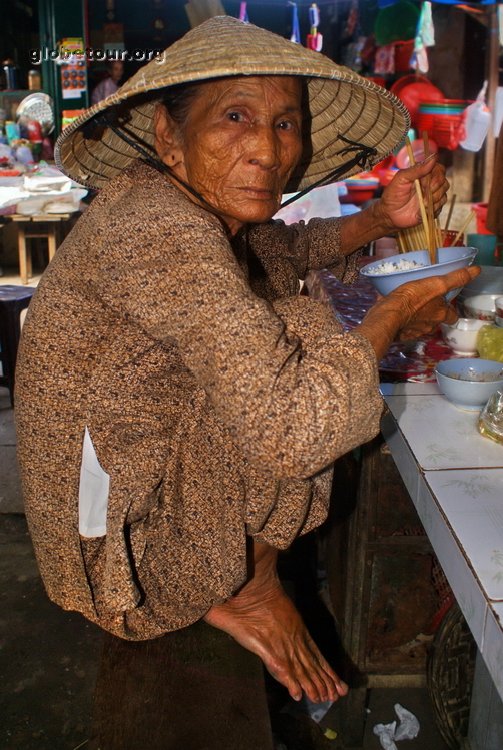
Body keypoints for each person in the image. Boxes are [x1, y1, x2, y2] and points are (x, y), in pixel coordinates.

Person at [15, 15, 478, 742]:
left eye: (285, 123)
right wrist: (389, 317)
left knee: (293, 320)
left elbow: (276, 251)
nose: (266, 148)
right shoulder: (155, 226)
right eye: (234, 117)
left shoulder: (180, 202)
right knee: (306, 337)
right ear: (169, 138)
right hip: (115, 544)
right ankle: (246, 583)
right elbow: (298, 427)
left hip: (133, 476)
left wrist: (375, 222)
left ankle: (240, 570)